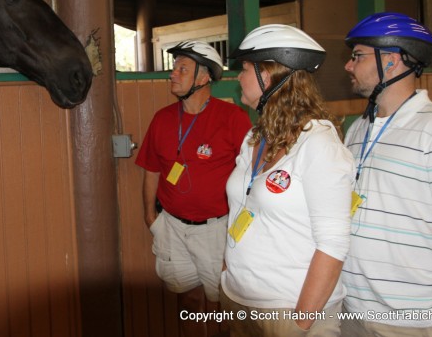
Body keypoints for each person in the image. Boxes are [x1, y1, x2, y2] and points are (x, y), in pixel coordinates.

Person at [341, 12, 432, 337]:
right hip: (355, 310)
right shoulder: (359, 128)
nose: (349, 65)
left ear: (391, 61)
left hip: (417, 320)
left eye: (357, 56)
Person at [220, 24, 353, 337]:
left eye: (245, 69)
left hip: (289, 311)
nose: (238, 77)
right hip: (237, 299)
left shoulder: (319, 144)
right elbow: (240, 209)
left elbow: (333, 244)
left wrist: (300, 324)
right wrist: (227, 275)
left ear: (268, 76)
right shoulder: (254, 138)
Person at [135, 40, 252, 337]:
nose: (173, 74)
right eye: (174, 68)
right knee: (186, 297)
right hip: (171, 226)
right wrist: (151, 217)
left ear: (203, 78)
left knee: (220, 303)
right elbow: (151, 169)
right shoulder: (162, 119)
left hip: (217, 229)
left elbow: (251, 176)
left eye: (182, 69)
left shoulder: (234, 119)